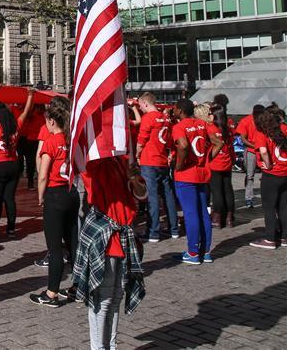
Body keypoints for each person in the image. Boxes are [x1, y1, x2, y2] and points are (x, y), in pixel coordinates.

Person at [72, 157, 145, 350]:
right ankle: (98, 348)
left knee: (116, 297)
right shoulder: (93, 162)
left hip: (124, 237)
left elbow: (142, 194)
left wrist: (133, 178)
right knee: (103, 300)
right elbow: (87, 179)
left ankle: (110, 347)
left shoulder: (125, 159)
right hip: (106, 239)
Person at [29, 97, 78, 307]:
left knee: (55, 247)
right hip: (71, 192)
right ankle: (78, 286)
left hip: (55, 194)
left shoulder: (52, 141)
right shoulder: (71, 140)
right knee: (73, 243)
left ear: (51, 121)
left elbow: (43, 173)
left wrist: (40, 195)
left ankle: (51, 293)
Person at [171, 100, 221, 264]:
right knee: (202, 212)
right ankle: (205, 252)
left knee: (190, 214)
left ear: (179, 110)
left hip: (186, 175)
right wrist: (207, 158)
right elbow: (218, 142)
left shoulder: (179, 127)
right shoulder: (202, 124)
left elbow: (183, 145)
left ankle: (193, 252)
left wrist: (179, 165)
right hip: (202, 173)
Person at [0, 85, 33, 236]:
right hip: (13, 165)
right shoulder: (16, 128)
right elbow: (26, 112)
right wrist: (30, 96)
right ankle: (11, 228)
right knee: (10, 198)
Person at [132, 93, 178, 242]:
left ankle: (153, 232)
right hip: (162, 160)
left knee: (152, 198)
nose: (140, 108)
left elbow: (141, 140)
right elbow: (169, 139)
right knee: (168, 195)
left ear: (145, 103)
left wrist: (137, 154)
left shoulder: (148, 118)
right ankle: (174, 229)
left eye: (140, 105)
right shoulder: (165, 118)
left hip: (149, 160)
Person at [250, 111, 287, 249]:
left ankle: (270, 239)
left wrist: (269, 164)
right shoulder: (284, 128)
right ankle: (284, 237)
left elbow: (264, 151)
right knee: (284, 206)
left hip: (272, 174)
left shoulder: (261, 133)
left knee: (269, 208)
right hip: (285, 173)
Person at [203, 103, 235, 229]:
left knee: (217, 192)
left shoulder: (210, 128)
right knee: (228, 190)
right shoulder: (228, 128)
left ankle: (217, 218)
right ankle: (229, 218)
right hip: (227, 161)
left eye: (210, 114)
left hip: (215, 163)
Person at [235, 105, 265, 209]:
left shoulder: (265, 120)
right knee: (250, 175)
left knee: (265, 175)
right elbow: (243, 139)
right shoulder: (246, 121)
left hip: (262, 150)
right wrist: (255, 146)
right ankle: (249, 198)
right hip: (251, 151)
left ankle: (265, 196)